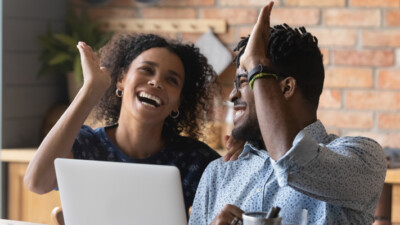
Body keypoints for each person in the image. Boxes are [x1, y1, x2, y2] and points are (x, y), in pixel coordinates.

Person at [189, 2, 387, 225]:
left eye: (244, 81)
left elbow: (291, 160)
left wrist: (257, 63)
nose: (232, 95)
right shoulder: (220, 173)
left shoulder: (362, 157)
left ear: (285, 88)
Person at [24, 33, 242, 213]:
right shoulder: (85, 145)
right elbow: (37, 182)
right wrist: (90, 90)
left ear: (178, 102)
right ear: (121, 79)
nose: (156, 82)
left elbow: (244, 202)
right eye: (146, 70)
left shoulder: (195, 159)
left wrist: (245, 156)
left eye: (171, 80)